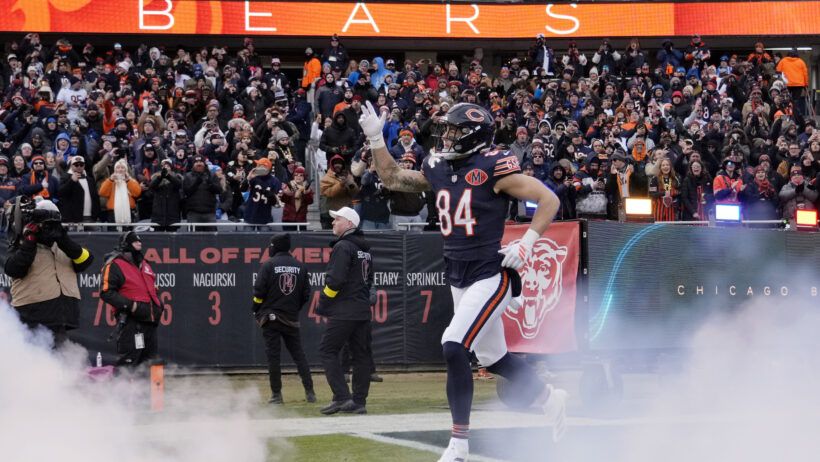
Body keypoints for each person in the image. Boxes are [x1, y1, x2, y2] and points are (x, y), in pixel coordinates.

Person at [360, 101, 568, 461]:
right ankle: (550, 398)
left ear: (473, 134)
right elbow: (393, 178)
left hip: (491, 273)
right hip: (458, 274)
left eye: (454, 130)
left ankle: (459, 445)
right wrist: (376, 138)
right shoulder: (438, 167)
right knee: (495, 358)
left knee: (453, 345)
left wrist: (529, 242)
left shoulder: (494, 166)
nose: (446, 136)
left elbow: (547, 199)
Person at [4, 198, 93, 347]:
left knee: (62, 363)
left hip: (60, 317)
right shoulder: (22, 244)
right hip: (31, 317)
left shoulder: (64, 246)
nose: (48, 228)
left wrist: (63, 238)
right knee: (35, 362)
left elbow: (86, 260)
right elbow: (13, 269)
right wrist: (30, 241)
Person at [316, 207, 373, 416]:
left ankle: (342, 397)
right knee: (361, 356)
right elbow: (368, 281)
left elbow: (336, 280)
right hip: (362, 309)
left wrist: (323, 303)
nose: (333, 222)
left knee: (327, 350)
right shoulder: (365, 249)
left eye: (337, 219)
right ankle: (359, 402)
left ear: (349, 224)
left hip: (344, 309)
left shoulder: (344, 246)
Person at [252, 234, 316, 405]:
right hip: (291, 318)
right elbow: (305, 295)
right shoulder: (301, 266)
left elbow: (259, 292)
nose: (269, 248)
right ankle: (310, 392)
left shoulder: (268, 265)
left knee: (274, 357)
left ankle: (276, 395)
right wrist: (294, 309)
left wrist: (255, 308)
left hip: (271, 318)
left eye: (271, 245)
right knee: (299, 355)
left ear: (276, 247)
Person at [99, 231, 164, 368]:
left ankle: (154, 390)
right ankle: (124, 390)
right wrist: (132, 306)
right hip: (131, 321)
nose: (139, 243)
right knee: (128, 363)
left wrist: (159, 305)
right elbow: (106, 292)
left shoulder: (144, 264)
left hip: (150, 322)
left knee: (153, 363)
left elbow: (152, 289)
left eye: (140, 241)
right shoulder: (115, 264)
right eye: (135, 241)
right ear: (126, 244)